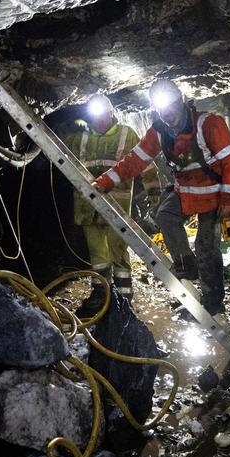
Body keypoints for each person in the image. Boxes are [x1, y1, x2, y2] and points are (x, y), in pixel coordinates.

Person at [94, 79, 230, 316]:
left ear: (181, 101)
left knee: (206, 246)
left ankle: (212, 303)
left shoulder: (209, 124)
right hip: (185, 190)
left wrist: (228, 200)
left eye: (171, 106)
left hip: (215, 193)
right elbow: (134, 162)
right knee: (165, 215)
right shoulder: (159, 132)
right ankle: (186, 264)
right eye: (162, 109)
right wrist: (104, 181)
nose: (167, 114)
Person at [61, 93, 159, 308]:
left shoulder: (127, 134)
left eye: (103, 114)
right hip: (88, 208)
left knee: (119, 252)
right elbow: (62, 154)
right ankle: (101, 294)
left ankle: (124, 297)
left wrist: (154, 193)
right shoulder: (81, 137)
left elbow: (146, 164)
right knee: (97, 254)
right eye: (95, 115)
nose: (99, 119)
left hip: (117, 208)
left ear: (111, 113)